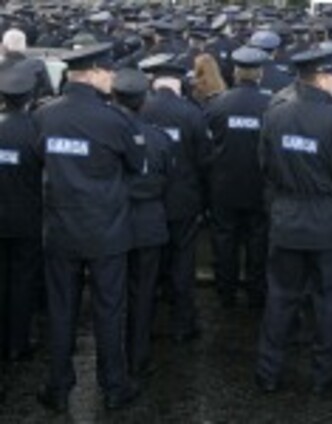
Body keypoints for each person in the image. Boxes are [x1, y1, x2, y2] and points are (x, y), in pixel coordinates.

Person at [34, 43, 144, 411]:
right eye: (108, 71)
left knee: (61, 309)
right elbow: (137, 165)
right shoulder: (115, 120)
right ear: (93, 72)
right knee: (109, 310)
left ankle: (58, 386)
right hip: (106, 230)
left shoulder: (44, 115)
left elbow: (39, 159)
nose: (113, 77)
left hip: (61, 228)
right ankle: (113, 386)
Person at [255, 48, 332, 394]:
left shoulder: (275, 115)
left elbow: (265, 166)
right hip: (327, 219)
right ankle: (323, 375)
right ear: (320, 77)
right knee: (328, 299)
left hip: (287, 215)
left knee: (280, 296)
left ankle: (268, 371)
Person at [140, 58, 213, 343]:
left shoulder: (141, 109)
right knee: (183, 261)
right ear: (179, 83)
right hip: (183, 199)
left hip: (148, 199)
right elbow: (205, 160)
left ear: (153, 82)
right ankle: (183, 323)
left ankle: (145, 323)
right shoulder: (192, 113)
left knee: (148, 264)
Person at [111, 67, 173, 376]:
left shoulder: (106, 133)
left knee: (110, 295)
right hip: (148, 220)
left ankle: (112, 359)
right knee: (143, 292)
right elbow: (169, 179)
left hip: (114, 220)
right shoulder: (159, 138)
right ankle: (137, 356)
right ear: (144, 100)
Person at [204, 46, 271, 308]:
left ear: (234, 73)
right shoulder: (272, 105)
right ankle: (256, 293)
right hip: (258, 186)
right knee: (258, 242)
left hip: (223, 186)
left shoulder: (217, 104)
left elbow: (207, 145)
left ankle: (226, 292)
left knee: (224, 240)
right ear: (260, 74)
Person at [0, 68, 41, 400]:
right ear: (30, 98)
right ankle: (18, 342)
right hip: (28, 218)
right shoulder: (36, 131)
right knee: (23, 281)